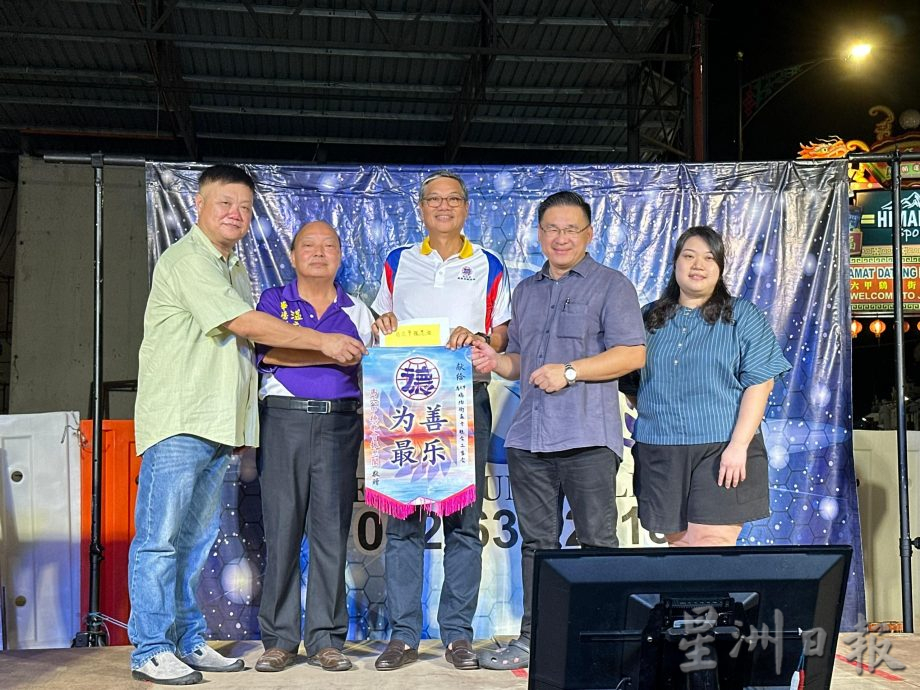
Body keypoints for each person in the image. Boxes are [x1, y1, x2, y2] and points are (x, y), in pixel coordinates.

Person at [130, 166, 366, 685]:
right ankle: (149, 647)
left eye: (243, 207)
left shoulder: (232, 269)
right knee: (159, 539)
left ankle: (187, 640)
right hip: (179, 418)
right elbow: (244, 327)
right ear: (199, 205)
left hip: (220, 424)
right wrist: (323, 342)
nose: (235, 214)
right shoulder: (189, 260)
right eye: (224, 204)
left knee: (192, 542)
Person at [471, 190, 646, 671]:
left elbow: (633, 353)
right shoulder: (525, 291)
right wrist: (496, 360)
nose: (561, 237)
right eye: (552, 228)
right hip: (528, 438)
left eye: (572, 229)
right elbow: (522, 362)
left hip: (588, 436)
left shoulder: (612, 285)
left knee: (595, 541)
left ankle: (603, 643)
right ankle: (535, 639)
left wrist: (569, 371)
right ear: (540, 234)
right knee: (537, 546)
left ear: (589, 235)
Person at [370, 170, 511, 671]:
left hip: (463, 400)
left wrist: (474, 335)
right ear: (421, 208)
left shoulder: (489, 264)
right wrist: (380, 323)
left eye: (453, 199)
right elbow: (378, 326)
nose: (444, 206)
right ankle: (403, 636)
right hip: (403, 407)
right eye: (435, 199)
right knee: (404, 524)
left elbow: (500, 338)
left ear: (467, 208)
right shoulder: (397, 262)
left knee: (464, 526)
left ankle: (457, 635)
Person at [253, 221, 373, 673]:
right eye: (309, 245)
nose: (319, 252)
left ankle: (326, 638)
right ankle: (279, 639)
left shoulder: (358, 310)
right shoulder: (273, 301)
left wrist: (346, 351)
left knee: (330, 533)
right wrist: (333, 350)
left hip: (341, 424)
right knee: (282, 530)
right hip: (283, 421)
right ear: (293, 253)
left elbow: (365, 361)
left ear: (340, 256)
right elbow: (274, 352)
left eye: (329, 246)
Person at [630, 226, 790, 547]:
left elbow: (761, 381)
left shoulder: (741, 315)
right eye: (688, 256)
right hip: (659, 451)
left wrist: (738, 446)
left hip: (722, 450)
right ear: (675, 264)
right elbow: (630, 382)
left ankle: (712, 602)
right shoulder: (648, 317)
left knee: (710, 544)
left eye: (708, 258)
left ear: (720, 268)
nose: (697, 265)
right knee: (680, 546)